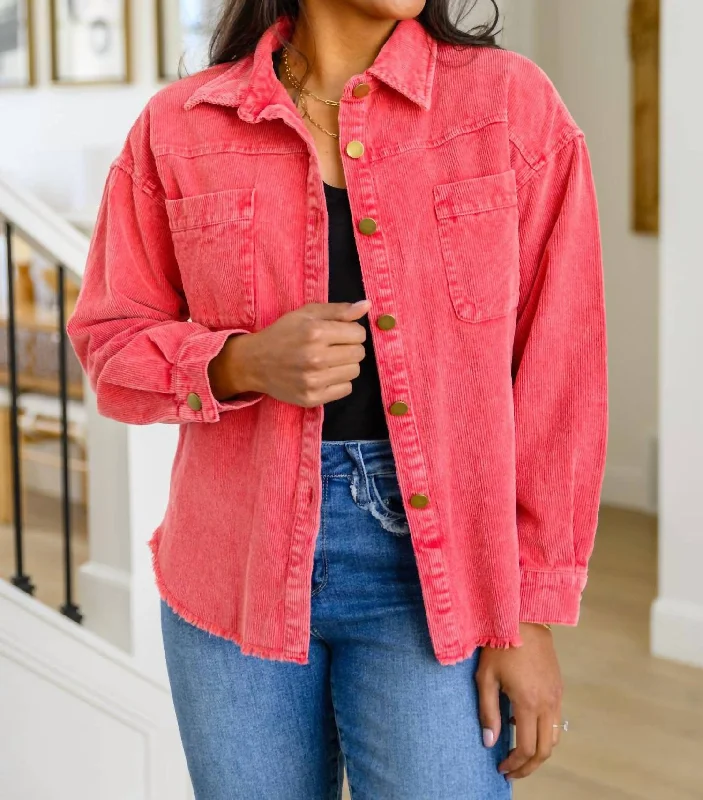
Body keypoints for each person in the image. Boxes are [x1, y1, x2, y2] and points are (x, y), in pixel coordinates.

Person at [65, 1, 608, 797]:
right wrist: (239, 363)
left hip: (439, 578)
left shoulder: (508, 108)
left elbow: (562, 376)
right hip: (233, 570)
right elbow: (110, 344)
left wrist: (527, 613)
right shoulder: (178, 128)